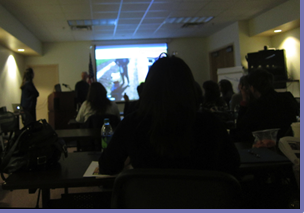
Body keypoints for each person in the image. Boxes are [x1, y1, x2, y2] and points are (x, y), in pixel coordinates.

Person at [99, 56, 240, 176]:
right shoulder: (211, 123)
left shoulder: (132, 124)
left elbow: (107, 167)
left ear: (149, 89)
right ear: (190, 87)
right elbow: (232, 165)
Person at [232, 69, 298, 142]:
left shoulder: (256, 106)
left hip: (265, 147)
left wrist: (244, 100)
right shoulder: (287, 97)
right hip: (288, 144)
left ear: (252, 88)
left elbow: (241, 130)